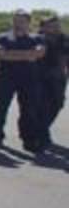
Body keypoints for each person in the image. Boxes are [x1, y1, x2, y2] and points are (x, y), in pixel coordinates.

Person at [0, 10, 47, 152]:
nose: (18, 24)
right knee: (1, 108)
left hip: (29, 79)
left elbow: (39, 53)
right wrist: (28, 55)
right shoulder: (3, 37)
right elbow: (2, 55)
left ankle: (29, 140)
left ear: (28, 22)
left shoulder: (37, 38)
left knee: (28, 110)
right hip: (5, 78)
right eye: (16, 20)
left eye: (22, 21)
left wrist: (12, 54)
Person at [38, 17, 67, 145]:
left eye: (57, 25)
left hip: (59, 76)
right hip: (40, 77)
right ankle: (42, 133)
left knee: (58, 104)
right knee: (42, 106)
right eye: (52, 25)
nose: (56, 28)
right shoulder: (36, 38)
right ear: (43, 27)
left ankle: (41, 129)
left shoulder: (64, 39)